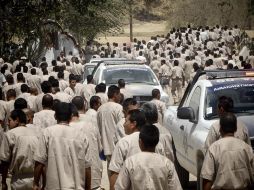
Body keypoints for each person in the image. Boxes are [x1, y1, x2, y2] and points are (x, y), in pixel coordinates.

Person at [33, 102, 92, 190]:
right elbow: (87, 167)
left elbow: (39, 162)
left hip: (53, 186)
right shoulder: (81, 136)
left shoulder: (47, 133)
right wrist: (88, 188)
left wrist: (36, 183)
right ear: (71, 116)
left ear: (55, 116)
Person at [115, 124, 182, 190]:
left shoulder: (130, 162)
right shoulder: (167, 163)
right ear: (157, 142)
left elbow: (120, 187)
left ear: (140, 142)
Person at [201, 112, 254, 190]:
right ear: (235, 128)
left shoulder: (214, 148)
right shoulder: (246, 148)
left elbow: (207, 179)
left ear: (220, 129)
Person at [0, 109, 39, 190]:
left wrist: (3, 182)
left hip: (18, 180)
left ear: (17, 120)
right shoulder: (36, 134)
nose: (7, 123)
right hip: (35, 179)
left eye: (9, 120)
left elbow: (5, 161)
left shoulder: (10, 134)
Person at [97, 85, 123, 169]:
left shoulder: (100, 109)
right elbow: (122, 126)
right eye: (119, 94)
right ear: (115, 94)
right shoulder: (118, 108)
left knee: (110, 172)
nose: (120, 97)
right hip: (117, 146)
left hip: (106, 147)